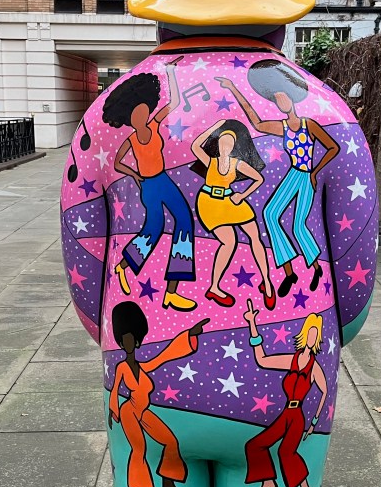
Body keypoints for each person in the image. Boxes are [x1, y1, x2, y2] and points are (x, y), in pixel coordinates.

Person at [217, 61, 340, 298]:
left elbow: (333, 147)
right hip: (293, 174)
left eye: (283, 97)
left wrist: (315, 172)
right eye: (276, 99)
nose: (280, 102)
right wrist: (233, 88)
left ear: (292, 98)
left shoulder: (309, 124)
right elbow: (256, 122)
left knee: (298, 225)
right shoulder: (283, 127)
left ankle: (314, 268)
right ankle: (289, 270)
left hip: (305, 176)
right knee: (270, 214)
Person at [109, 301, 209, 487]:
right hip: (129, 412)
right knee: (140, 451)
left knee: (170, 442)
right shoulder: (122, 367)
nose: (130, 344)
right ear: (121, 342)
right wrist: (113, 409)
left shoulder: (143, 366)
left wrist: (188, 336)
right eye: (126, 340)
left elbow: (165, 356)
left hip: (143, 412)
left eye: (133, 339)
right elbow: (115, 388)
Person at [107, 58, 197, 311]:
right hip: (150, 186)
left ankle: (172, 289)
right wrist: (134, 174)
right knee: (154, 228)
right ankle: (124, 266)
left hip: (164, 180)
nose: (142, 115)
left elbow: (175, 103)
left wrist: (171, 73)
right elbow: (116, 163)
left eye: (144, 110)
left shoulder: (156, 125)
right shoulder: (133, 139)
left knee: (184, 222)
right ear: (130, 118)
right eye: (137, 114)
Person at [242, 299, 328, 487]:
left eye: (315, 333)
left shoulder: (314, 367)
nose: (311, 337)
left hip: (297, 416)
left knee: (285, 453)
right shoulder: (291, 360)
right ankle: (268, 485)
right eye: (309, 332)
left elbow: (324, 390)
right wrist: (252, 324)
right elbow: (262, 359)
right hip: (284, 414)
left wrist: (315, 421)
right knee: (255, 445)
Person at [189, 119, 275, 310]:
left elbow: (259, 178)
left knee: (254, 235)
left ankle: (267, 282)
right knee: (229, 242)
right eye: (221, 142)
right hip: (210, 203)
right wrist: (213, 127)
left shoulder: (238, 164)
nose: (224, 146)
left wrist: (242, 195)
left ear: (234, 146)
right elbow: (195, 146)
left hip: (231, 201)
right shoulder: (210, 161)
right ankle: (214, 287)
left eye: (228, 143)